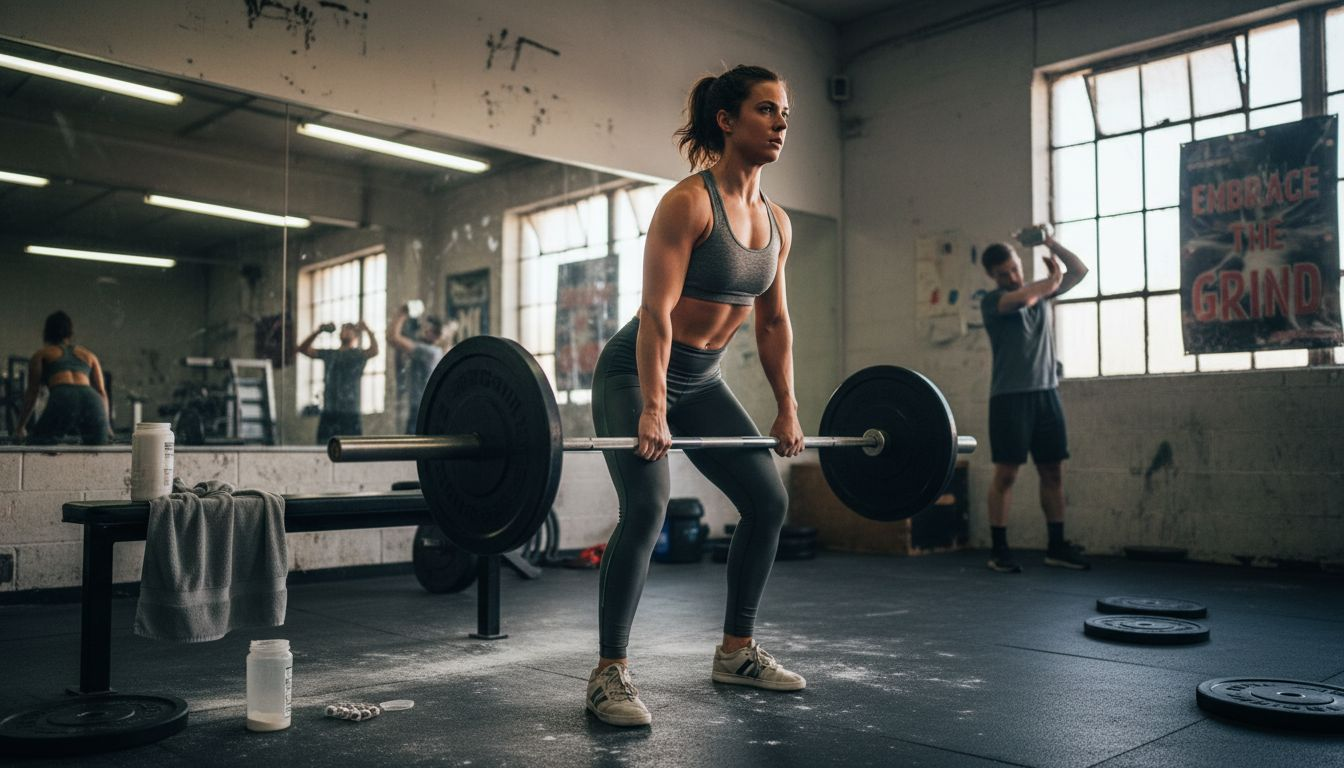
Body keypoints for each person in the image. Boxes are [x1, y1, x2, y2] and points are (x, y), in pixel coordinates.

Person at [585, 64, 805, 728]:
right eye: (766, 109)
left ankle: (736, 651)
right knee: (646, 508)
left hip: (704, 380)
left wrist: (787, 406)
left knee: (768, 501)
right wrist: (653, 407)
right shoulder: (688, 203)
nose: (780, 123)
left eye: (785, 113)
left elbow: (773, 322)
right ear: (726, 120)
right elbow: (656, 313)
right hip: (635, 372)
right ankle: (608, 673)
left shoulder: (777, 222)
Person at [979, 234, 1090, 574]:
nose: (1012, 277)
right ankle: (999, 551)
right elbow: (1025, 298)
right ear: (993, 277)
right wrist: (1051, 281)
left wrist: (1050, 243)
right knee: (1006, 474)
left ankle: (1056, 547)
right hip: (1009, 398)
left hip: (1046, 394)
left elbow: (1080, 271)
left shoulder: (1041, 292)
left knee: (1052, 471)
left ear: (1019, 262)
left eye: (1014, 268)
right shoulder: (994, 302)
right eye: (1003, 274)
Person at [16, 311, 111, 445]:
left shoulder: (41, 354)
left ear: (47, 332)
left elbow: (32, 392)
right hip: (91, 398)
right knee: (98, 447)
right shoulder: (89, 355)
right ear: (70, 332)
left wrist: (21, 427)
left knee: (38, 444)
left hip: (63, 395)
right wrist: (107, 427)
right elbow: (101, 392)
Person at [298, 320, 379, 444]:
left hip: (350, 413)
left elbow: (374, 350)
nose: (345, 331)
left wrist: (367, 329)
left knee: (352, 449)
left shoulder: (357, 355)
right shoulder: (330, 354)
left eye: (349, 329)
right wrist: (319, 331)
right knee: (323, 447)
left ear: (356, 335)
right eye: (344, 328)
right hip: (330, 411)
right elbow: (303, 349)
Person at [386, 306, 451, 433]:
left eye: (427, 328)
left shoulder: (430, 352)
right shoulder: (432, 351)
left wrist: (402, 313)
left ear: (433, 334)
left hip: (420, 408)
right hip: (419, 406)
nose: (423, 330)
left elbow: (393, 338)